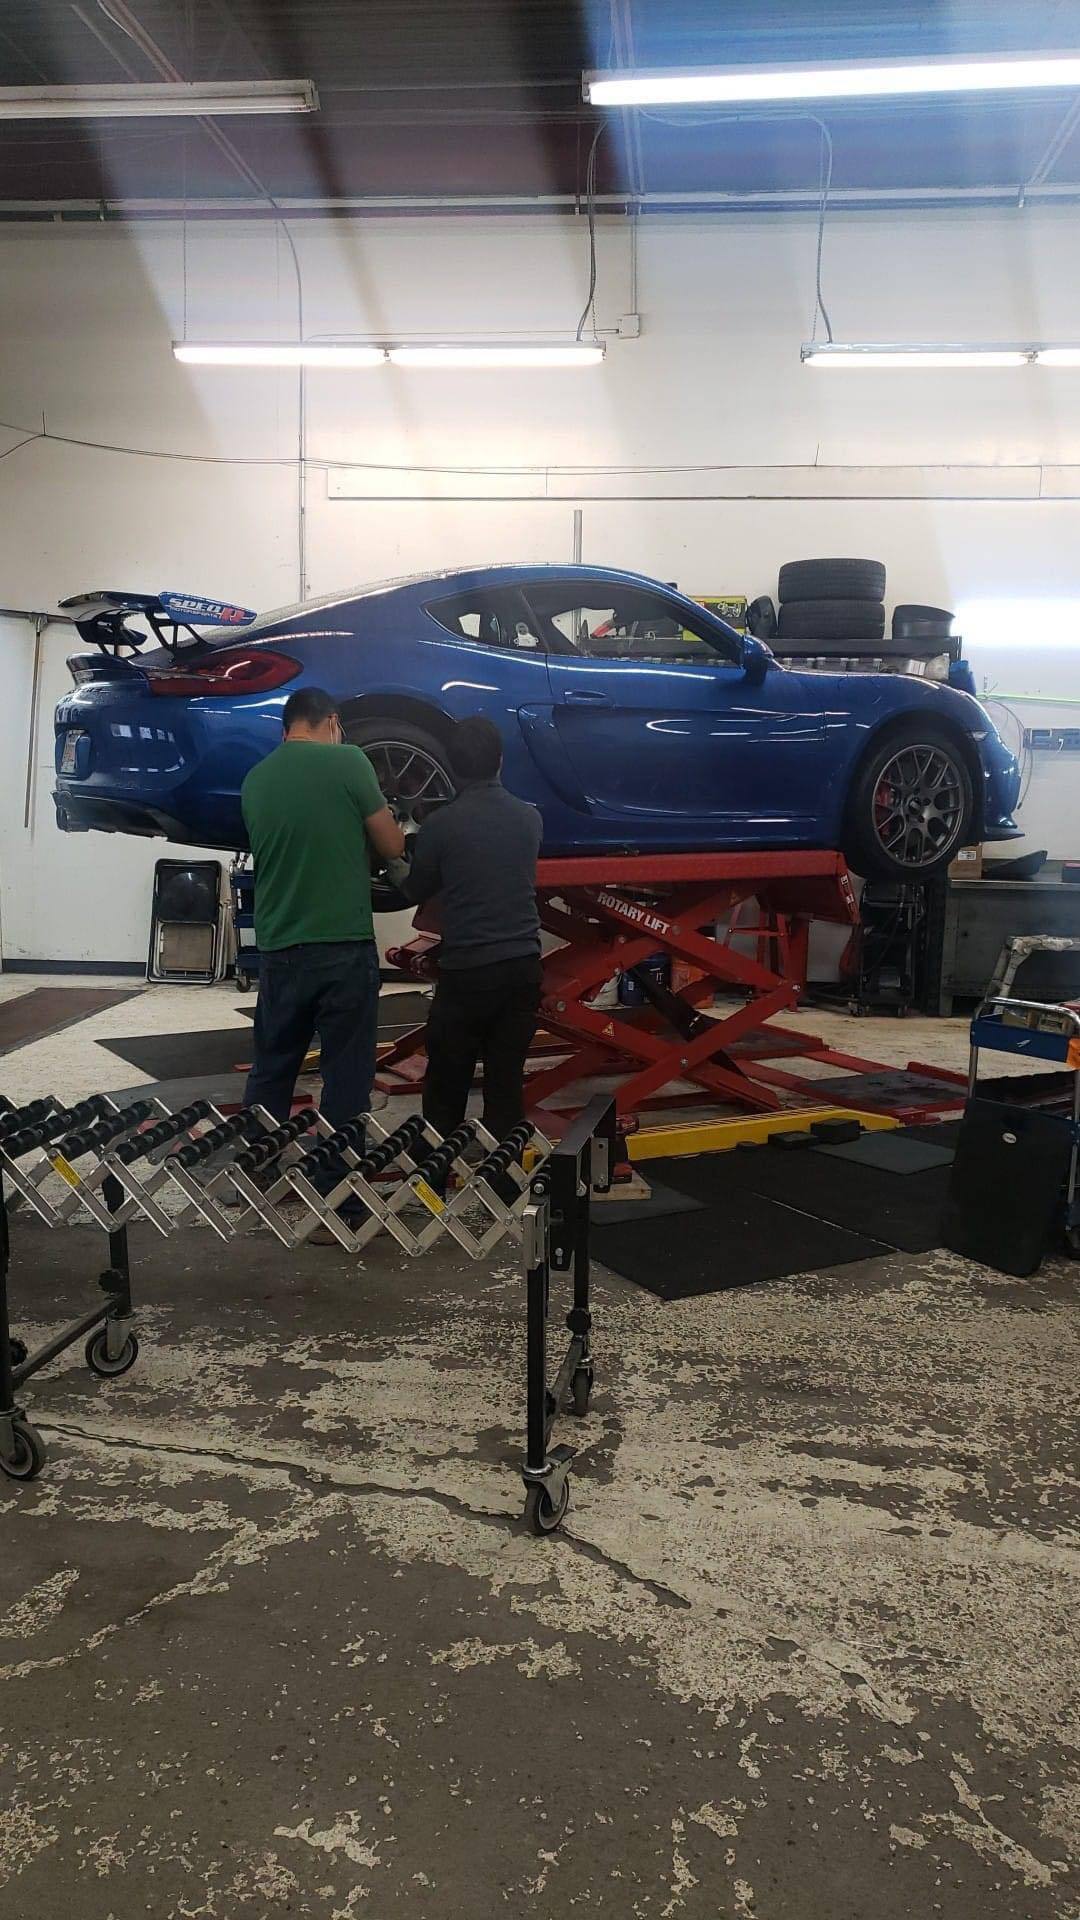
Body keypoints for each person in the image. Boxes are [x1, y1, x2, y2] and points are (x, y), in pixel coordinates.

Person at [241, 687, 404, 1134]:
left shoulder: (256, 778)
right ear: (332, 722)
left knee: (271, 1070)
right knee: (346, 1078)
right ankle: (341, 1191)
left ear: (287, 726)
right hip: (341, 946)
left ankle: (255, 1173)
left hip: (278, 948)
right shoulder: (348, 760)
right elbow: (392, 846)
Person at [394, 716, 542, 1144]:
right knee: (506, 1083)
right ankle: (505, 1185)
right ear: (500, 760)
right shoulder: (529, 819)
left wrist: (393, 859)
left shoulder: (441, 825)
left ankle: (433, 1189)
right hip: (521, 968)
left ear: (454, 767)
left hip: (468, 973)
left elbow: (414, 889)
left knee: (445, 1087)